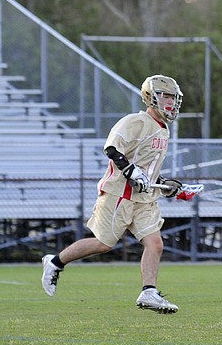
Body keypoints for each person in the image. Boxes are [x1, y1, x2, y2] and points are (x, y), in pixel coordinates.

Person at [40, 74, 185, 314]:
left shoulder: (163, 129)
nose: (171, 102)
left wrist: (163, 184)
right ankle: (55, 262)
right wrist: (130, 172)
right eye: (166, 96)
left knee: (155, 244)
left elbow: (146, 168)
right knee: (103, 244)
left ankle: (149, 291)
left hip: (143, 198)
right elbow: (112, 148)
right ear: (151, 98)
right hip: (120, 193)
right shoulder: (136, 121)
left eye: (173, 97)